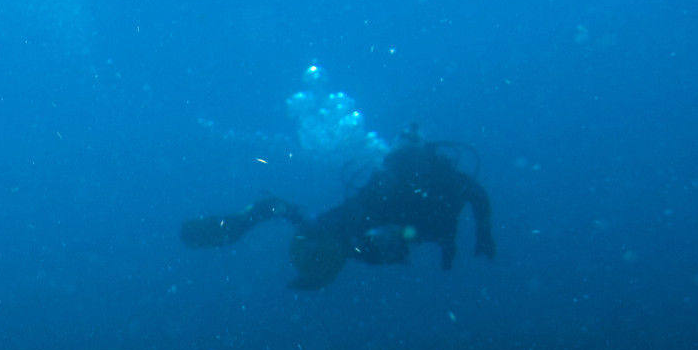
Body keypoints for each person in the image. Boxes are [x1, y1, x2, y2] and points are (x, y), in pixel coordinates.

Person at [182, 129, 494, 289]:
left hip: (369, 227)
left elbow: (476, 197)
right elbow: (476, 196)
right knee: (333, 233)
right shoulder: (439, 177)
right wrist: (481, 233)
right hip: (368, 225)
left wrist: (482, 233)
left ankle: (255, 218)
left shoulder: (435, 177)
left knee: (316, 224)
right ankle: (259, 219)